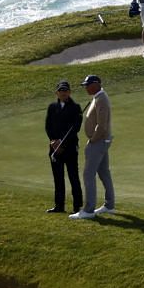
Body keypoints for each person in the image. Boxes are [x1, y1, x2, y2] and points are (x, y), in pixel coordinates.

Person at [72, 74, 115, 219]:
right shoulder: (98, 97)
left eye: (87, 85)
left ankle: (88, 210)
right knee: (104, 172)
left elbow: (101, 126)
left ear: (96, 84)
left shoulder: (101, 99)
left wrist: (93, 140)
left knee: (88, 174)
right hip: (102, 141)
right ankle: (109, 205)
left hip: (99, 141)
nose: (85, 88)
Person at [45, 79, 84, 215]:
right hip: (55, 148)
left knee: (73, 176)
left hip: (70, 148)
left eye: (66, 91)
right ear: (57, 93)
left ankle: (77, 206)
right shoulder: (52, 107)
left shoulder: (76, 108)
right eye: (61, 91)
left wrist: (62, 142)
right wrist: (53, 141)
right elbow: (48, 126)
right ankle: (59, 205)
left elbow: (75, 129)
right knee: (58, 178)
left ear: (69, 92)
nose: (63, 93)